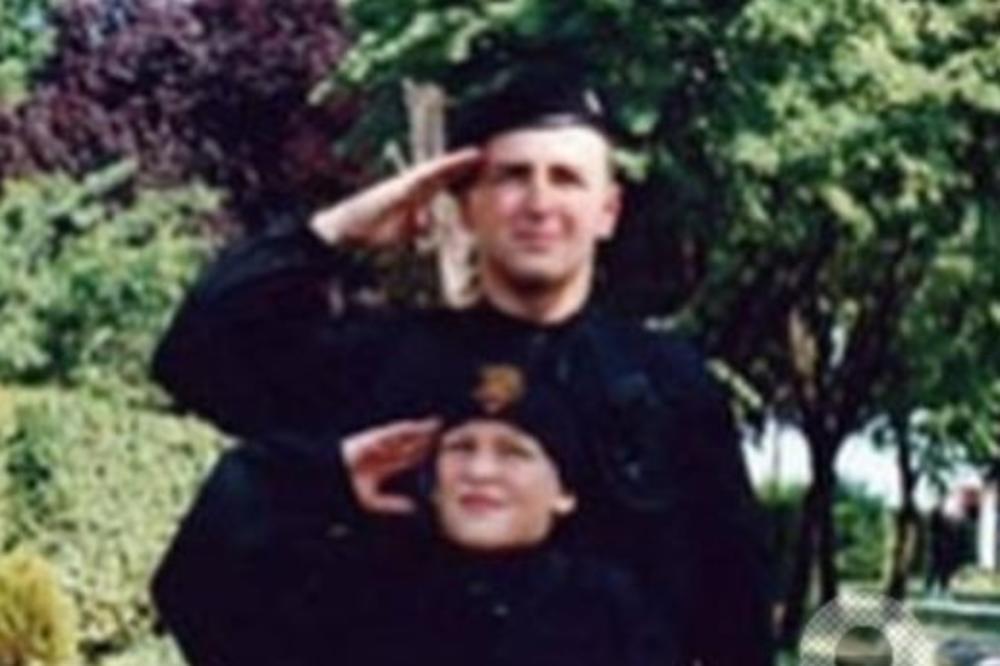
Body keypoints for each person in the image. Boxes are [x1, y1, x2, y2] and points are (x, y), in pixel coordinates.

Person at [151, 66, 774, 665]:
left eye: (565, 178)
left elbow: (734, 614)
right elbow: (197, 356)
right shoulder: (389, 363)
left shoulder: (670, 387)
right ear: (467, 204)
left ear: (607, 211)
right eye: (511, 177)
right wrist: (337, 231)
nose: (538, 202)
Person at [308, 363, 676, 666]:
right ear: (431, 482)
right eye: (461, 448)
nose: (480, 472)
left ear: (564, 493)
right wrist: (323, 475)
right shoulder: (367, 595)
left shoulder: (610, 611)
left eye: (513, 453)